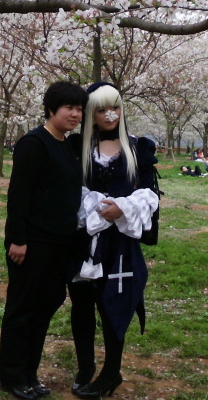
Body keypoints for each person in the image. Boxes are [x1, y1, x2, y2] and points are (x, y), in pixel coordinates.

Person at [0, 81, 87, 400]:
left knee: (46, 305)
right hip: (32, 243)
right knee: (23, 308)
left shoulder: (67, 145)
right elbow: (18, 195)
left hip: (61, 243)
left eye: (79, 109)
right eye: (69, 108)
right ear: (51, 110)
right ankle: (11, 376)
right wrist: (17, 239)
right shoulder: (34, 143)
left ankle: (30, 373)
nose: (76, 114)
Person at [69, 83, 159, 399]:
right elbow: (67, 191)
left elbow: (149, 194)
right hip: (84, 244)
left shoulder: (138, 150)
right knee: (81, 304)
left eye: (116, 108)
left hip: (120, 245)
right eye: (103, 109)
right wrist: (92, 210)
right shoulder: (76, 147)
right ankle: (85, 367)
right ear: (91, 113)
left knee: (114, 304)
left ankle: (111, 371)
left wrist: (122, 207)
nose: (110, 115)